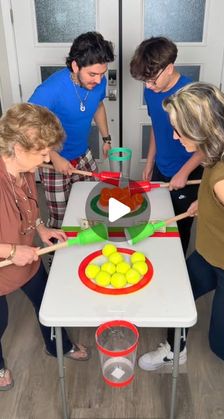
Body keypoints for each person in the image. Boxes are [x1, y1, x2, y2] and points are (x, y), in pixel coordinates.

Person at [138, 82, 224, 371]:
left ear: (200, 128)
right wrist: (204, 204)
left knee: (221, 341)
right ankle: (175, 351)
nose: (173, 136)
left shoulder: (223, 178)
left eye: (178, 130)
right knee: (175, 300)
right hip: (208, 253)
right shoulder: (220, 149)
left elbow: (222, 187)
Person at [0, 103, 90, 391]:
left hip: (27, 258)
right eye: (41, 154)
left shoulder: (24, 169)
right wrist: (13, 252)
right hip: (8, 262)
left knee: (48, 304)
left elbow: (29, 206)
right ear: (16, 146)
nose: (45, 161)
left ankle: (57, 346)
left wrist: (41, 228)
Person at [29, 31, 114, 228]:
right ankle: (55, 256)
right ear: (75, 65)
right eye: (92, 74)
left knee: (93, 204)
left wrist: (106, 138)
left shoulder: (98, 83)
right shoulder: (49, 91)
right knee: (61, 219)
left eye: (102, 73)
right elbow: (28, 128)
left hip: (84, 155)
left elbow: (98, 106)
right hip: (54, 162)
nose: (98, 80)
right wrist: (52, 156)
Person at [130, 37, 203, 254]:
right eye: (144, 81)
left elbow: (207, 145)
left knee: (179, 226)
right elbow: (157, 126)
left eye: (152, 80)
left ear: (169, 68)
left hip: (188, 172)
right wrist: (150, 161)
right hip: (162, 167)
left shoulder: (192, 96)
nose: (147, 86)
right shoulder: (151, 90)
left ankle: (176, 267)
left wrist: (184, 173)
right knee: (157, 217)